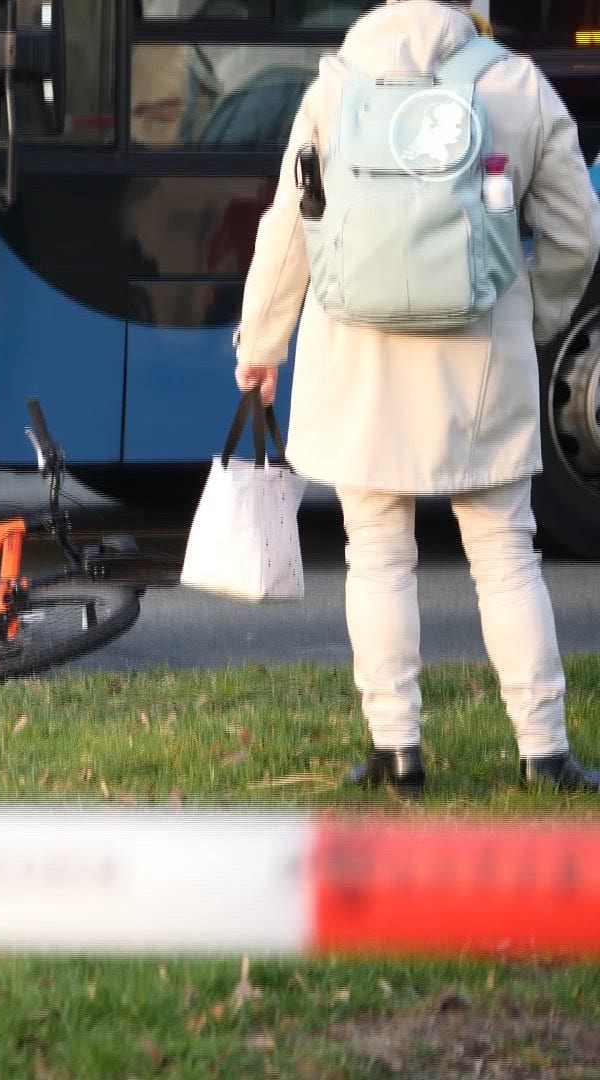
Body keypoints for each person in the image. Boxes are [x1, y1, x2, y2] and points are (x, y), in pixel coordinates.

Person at [234, 0, 600, 794]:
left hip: (358, 365)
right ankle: (544, 752)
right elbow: (577, 233)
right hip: (479, 366)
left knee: (377, 558)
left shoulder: (335, 87)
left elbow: (289, 227)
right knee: (506, 555)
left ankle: (397, 752)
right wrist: (530, 312)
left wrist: (261, 344)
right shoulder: (518, 85)